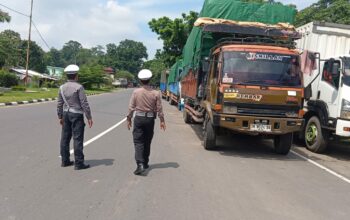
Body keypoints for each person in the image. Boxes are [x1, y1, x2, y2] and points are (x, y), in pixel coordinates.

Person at [127, 69, 166, 175]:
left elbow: (131, 107)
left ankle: (140, 164)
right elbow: (159, 108)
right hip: (150, 120)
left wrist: (129, 118)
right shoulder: (156, 93)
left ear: (140, 80)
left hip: (139, 119)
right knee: (147, 141)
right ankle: (145, 162)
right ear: (150, 80)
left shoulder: (136, 92)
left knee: (139, 141)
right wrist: (162, 120)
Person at [57, 64, 93, 170]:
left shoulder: (62, 87)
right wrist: (89, 117)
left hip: (65, 114)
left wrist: (60, 116)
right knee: (77, 138)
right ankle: (79, 163)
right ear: (76, 76)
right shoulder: (79, 87)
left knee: (65, 138)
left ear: (67, 76)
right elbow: (84, 103)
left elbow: (59, 103)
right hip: (76, 114)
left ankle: (65, 161)